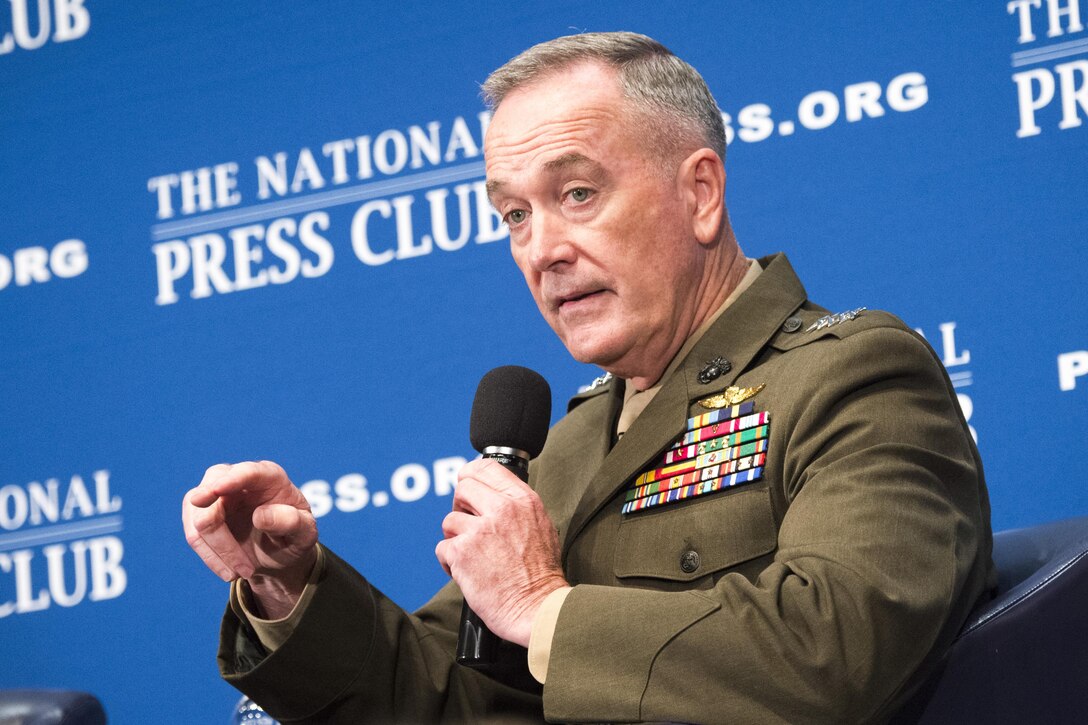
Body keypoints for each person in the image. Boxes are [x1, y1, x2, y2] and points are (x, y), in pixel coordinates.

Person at [183, 32, 994, 723]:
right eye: (515, 215)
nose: (542, 248)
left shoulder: (854, 375)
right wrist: (287, 587)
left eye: (577, 193)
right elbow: (450, 699)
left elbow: (841, 648)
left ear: (700, 193)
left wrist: (544, 608)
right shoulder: (565, 444)